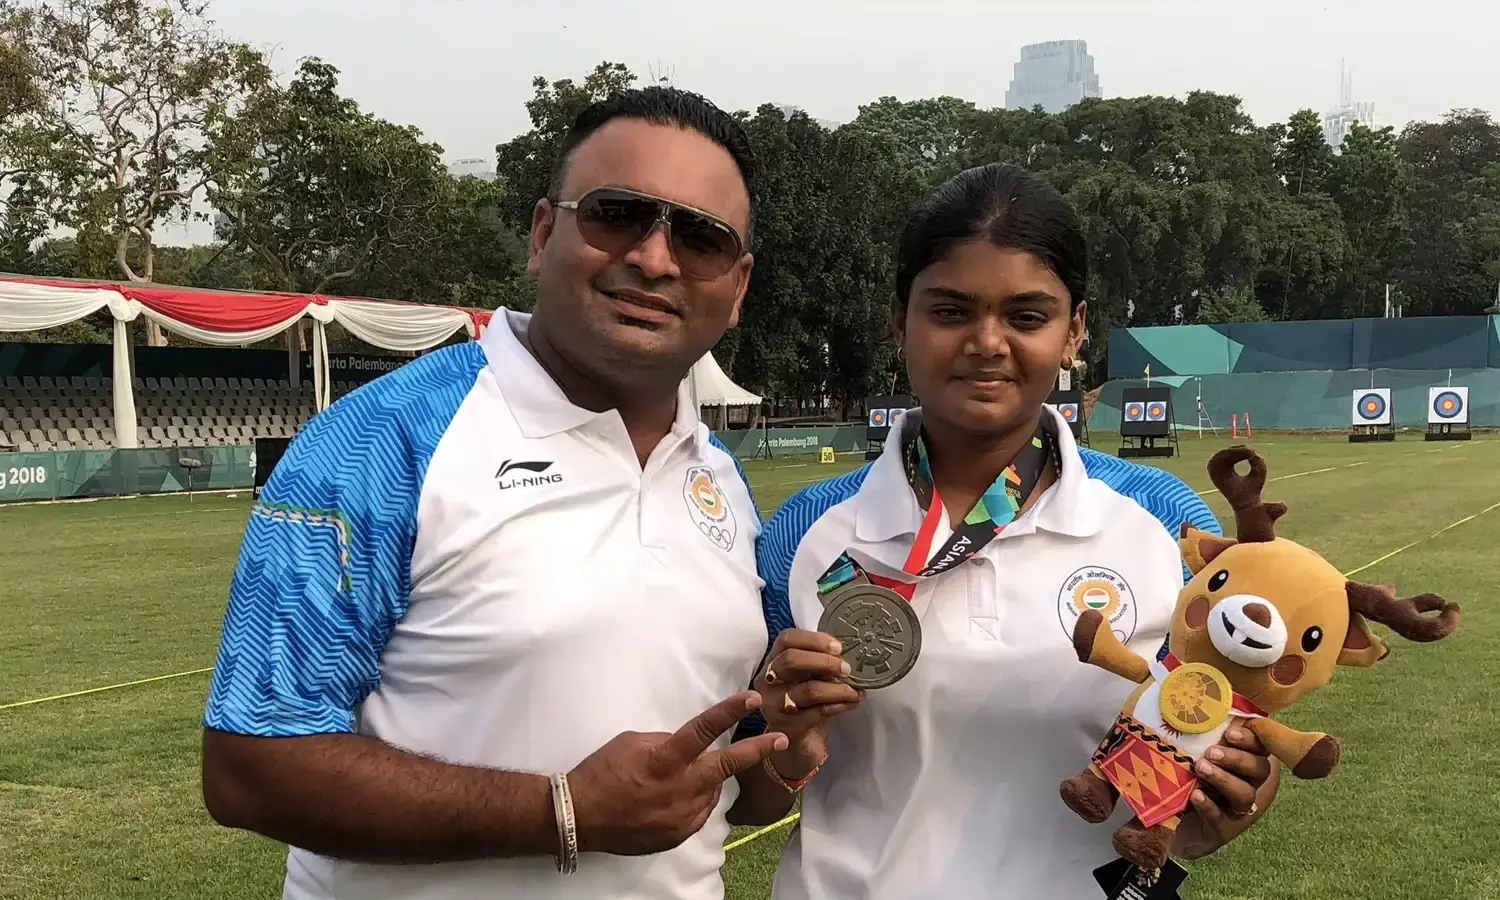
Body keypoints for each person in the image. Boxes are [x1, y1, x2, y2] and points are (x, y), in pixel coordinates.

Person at [199, 87, 796, 900]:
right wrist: (563, 810)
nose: (656, 259)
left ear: (738, 285)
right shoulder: (384, 440)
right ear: (543, 234)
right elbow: (248, 766)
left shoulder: (718, 474)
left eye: (701, 237)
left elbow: (723, 787)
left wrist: (789, 738)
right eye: (618, 215)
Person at [736, 163, 1279, 899]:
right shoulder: (804, 531)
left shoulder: (1163, 519)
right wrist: (789, 745)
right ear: (899, 322)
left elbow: (1223, 734)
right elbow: (748, 798)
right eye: (950, 311)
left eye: (1026, 317)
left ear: (1073, 331)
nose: (987, 342)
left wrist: (1234, 795)